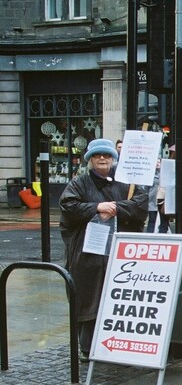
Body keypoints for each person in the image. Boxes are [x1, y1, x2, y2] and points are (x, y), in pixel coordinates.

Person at [59, 138, 148, 360]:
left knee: (119, 297)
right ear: (90, 159)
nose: (102, 159)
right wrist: (96, 207)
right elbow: (68, 206)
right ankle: (87, 347)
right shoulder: (79, 183)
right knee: (90, 297)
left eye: (106, 155)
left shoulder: (126, 182)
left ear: (113, 158)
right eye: (97, 155)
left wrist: (117, 208)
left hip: (120, 251)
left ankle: (118, 343)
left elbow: (140, 204)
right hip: (89, 252)